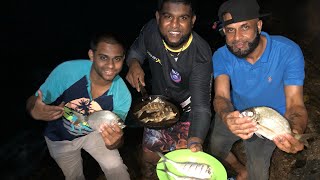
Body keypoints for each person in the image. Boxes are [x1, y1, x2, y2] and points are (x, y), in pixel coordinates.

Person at [208, 0, 308, 180]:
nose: (237, 37)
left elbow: (295, 103)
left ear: (259, 25)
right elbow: (221, 96)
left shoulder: (287, 52)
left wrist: (295, 133)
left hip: (271, 120)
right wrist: (227, 117)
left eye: (245, 27)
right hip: (236, 112)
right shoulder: (221, 55)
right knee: (216, 148)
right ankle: (240, 169)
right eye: (230, 30)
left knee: (258, 173)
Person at [26, 32, 132, 180]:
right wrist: (34, 111)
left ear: (123, 59)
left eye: (117, 59)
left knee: (117, 168)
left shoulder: (123, 95)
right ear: (91, 55)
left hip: (95, 133)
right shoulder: (67, 72)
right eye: (103, 57)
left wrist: (116, 141)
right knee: (74, 176)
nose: (110, 65)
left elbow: (117, 135)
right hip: (59, 138)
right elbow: (34, 100)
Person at [125, 0, 213, 179]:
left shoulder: (201, 55)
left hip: (188, 113)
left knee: (179, 167)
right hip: (157, 108)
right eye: (168, 17)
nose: (174, 25)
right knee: (149, 158)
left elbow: (201, 107)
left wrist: (196, 141)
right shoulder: (151, 30)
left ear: (193, 20)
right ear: (158, 18)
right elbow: (136, 50)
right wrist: (134, 63)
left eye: (183, 18)